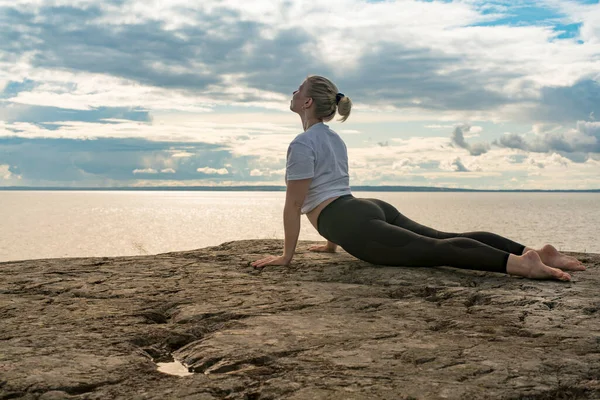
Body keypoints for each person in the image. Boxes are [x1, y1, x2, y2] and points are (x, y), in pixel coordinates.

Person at [251, 75, 586, 281]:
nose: (293, 93)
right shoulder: (333, 138)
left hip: (347, 218)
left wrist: (287, 257)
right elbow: (332, 187)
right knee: (444, 235)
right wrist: (330, 243)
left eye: (298, 89)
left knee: (436, 249)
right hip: (365, 208)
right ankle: (538, 252)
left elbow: (295, 205)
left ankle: (522, 265)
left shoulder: (301, 143)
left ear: (307, 102)